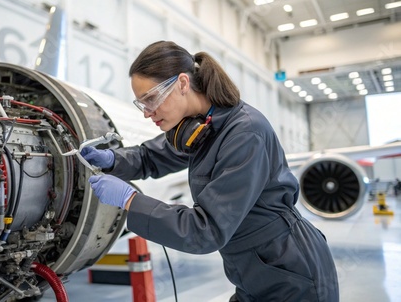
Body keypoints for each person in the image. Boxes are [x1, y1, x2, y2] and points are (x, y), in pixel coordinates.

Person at [81, 41, 339, 301]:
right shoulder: (200, 127)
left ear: (182, 83)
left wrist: (131, 200)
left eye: (151, 99)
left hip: (290, 276)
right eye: (142, 104)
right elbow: (151, 156)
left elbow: (205, 230)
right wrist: (113, 159)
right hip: (252, 271)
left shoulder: (245, 133)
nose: (148, 113)